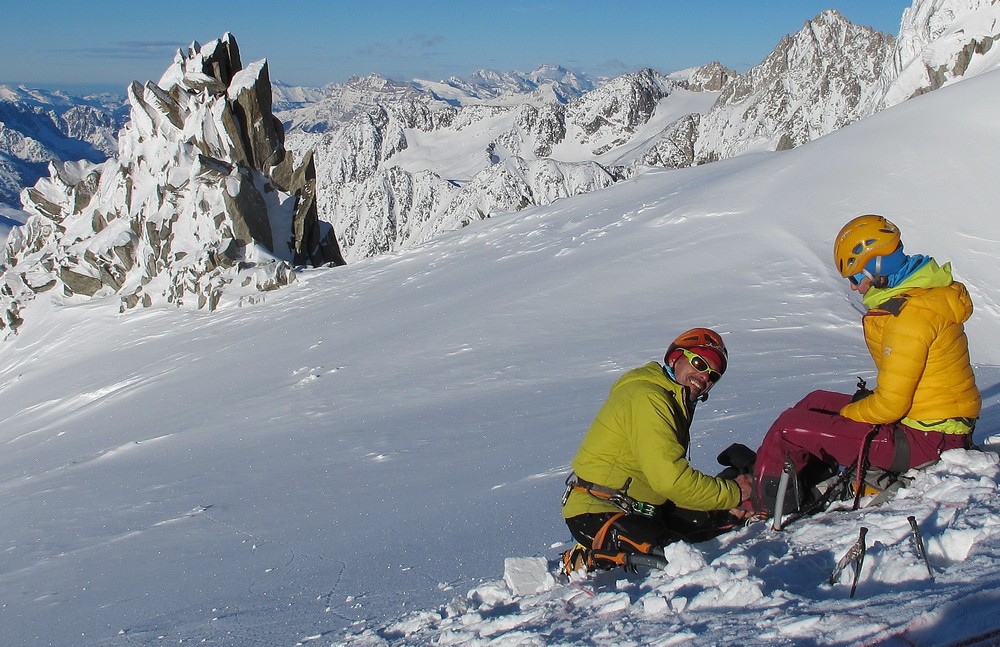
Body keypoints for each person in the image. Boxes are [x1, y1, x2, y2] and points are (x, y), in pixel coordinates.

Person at [749, 214, 980, 517]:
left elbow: (890, 406)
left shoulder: (910, 317)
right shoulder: (921, 298)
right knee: (815, 401)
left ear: (878, 266)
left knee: (788, 428)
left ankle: (762, 510)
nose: (856, 288)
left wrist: (849, 415)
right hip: (930, 428)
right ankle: (807, 480)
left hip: (925, 441)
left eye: (857, 277)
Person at [561, 327, 753, 571]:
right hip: (598, 512)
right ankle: (586, 559)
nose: (705, 376)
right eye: (699, 363)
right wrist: (734, 491)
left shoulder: (673, 399)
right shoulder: (649, 399)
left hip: (644, 509)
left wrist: (725, 502)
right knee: (677, 558)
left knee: (722, 520)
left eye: (713, 375)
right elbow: (671, 480)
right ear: (675, 358)